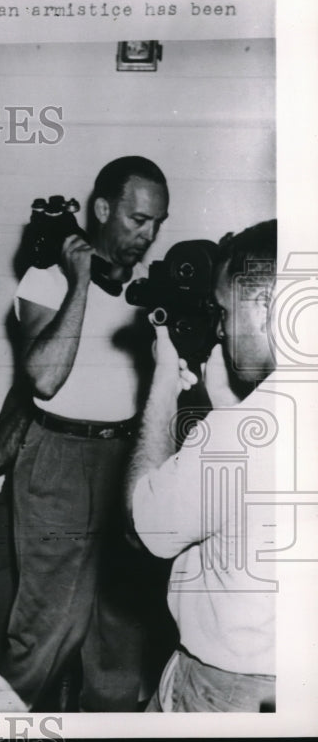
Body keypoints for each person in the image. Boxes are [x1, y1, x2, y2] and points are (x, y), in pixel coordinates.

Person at [2, 156, 171, 711]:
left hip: (128, 458)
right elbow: (44, 379)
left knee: (121, 642)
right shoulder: (45, 280)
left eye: (156, 224)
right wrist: (80, 284)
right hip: (59, 458)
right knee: (46, 632)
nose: (146, 236)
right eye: (137, 220)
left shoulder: (151, 288)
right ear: (102, 209)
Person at [128, 219, 279, 712]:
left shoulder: (239, 434)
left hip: (228, 686)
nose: (220, 328)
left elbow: (141, 527)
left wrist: (164, 381)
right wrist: (225, 402)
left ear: (262, 308)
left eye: (225, 311)